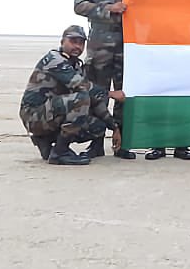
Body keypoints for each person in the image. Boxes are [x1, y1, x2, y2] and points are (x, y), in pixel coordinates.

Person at [73, 0, 141, 159]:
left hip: (126, 43)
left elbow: (141, 5)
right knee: (98, 94)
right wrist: (108, 9)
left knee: (124, 93)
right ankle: (95, 143)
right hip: (100, 43)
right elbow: (79, 5)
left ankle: (123, 143)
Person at [19, 25, 124, 166]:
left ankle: (45, 141)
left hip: (51, 114)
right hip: (34, 115)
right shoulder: (55, 59)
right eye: (73, 41)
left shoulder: (75, 65)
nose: (77, 46)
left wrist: (114, 127)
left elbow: (95, 100)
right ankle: (60, 152)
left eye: (81, 43)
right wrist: (111, 93)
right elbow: (82, 86)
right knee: (81, 98)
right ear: (62, 42)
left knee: (98, 127)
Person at [140, 0, 190, 161]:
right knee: (159, 96)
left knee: (182, 96)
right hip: (157, 47)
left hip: (183, 47)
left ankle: (181, 145)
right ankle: (157, 145)